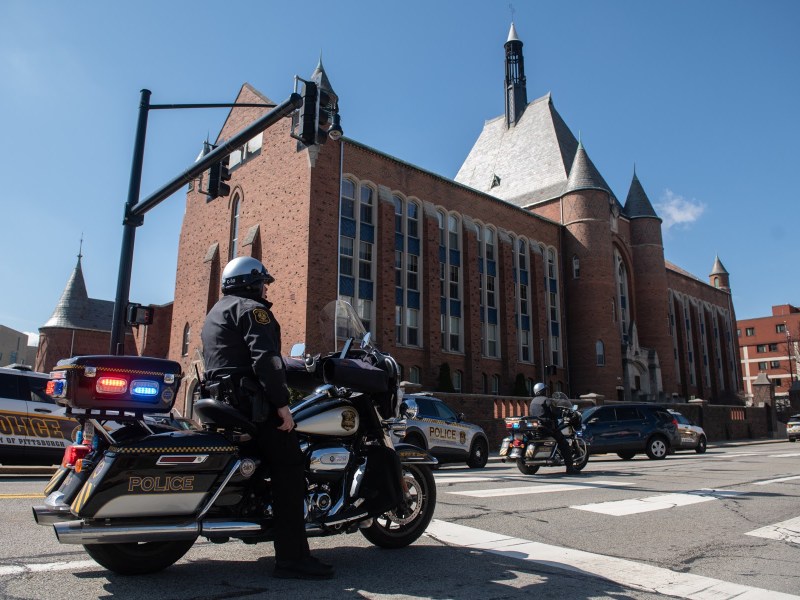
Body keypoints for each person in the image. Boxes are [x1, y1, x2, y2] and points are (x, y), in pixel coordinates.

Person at [201, 256, 334, 580]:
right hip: (251, 404)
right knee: (291, 466)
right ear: (249, 282)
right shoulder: (253, 311)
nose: (264, 288)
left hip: (221, 401)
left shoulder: (216, 312)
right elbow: (267, 362)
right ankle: (292, 559)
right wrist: (281, 405)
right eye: (262, 282)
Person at [528, 382, 579, 474]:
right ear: (542, 391)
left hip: (536, 427)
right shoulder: (546, 400)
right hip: (547, 427)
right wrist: (560, 413)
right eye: (545, 390)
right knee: (564, 443)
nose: (546, 392)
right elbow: (554, 412)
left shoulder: (533, 401)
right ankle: (570, 467)